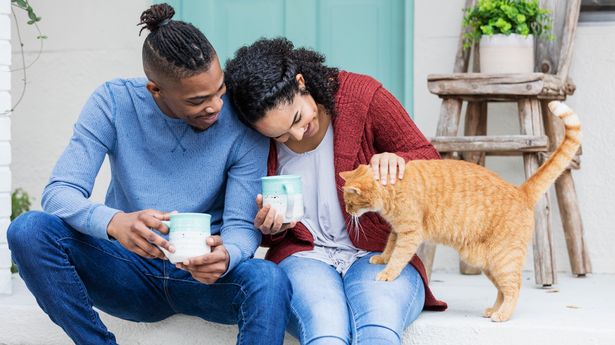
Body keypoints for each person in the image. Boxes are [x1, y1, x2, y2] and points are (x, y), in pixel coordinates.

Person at [7, 5, 291, 345]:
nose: (215, 106)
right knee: (27, 230)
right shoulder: (112, 102)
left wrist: (227, 254)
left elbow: (241, 227)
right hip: (126, 271)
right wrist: (114, 223)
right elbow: (59, 193)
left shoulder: (240, 121)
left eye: (220, 90)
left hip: (203, 279)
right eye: (199, 99)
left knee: (269, 280)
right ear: (155, 90)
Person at [225, 38, 447, 345]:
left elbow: (433, 167)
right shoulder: (256, 140)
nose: (296, 135)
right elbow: (265, 231)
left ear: (300, 83)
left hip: (378, 252)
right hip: (305, 258)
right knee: (325, 330)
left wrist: (399, 161)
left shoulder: (364, 97)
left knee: (377, 327)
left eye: (297, 119)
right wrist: (270, 228)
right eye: (280, 136)